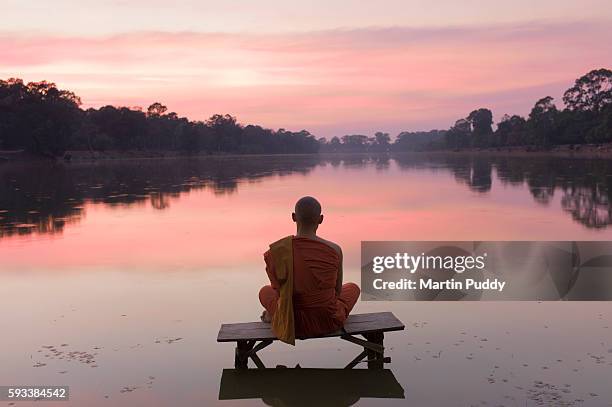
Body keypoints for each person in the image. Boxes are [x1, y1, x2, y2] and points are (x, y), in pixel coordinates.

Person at [259, 196, 360, 340]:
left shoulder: (277, 253)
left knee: (265, 292)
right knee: (352, 288)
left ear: (294, 217)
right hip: (328, 320)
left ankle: (272, 315)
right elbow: (337, 292)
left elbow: (279, 294)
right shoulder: (335, 250)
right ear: (321, 219)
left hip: (292, 323)